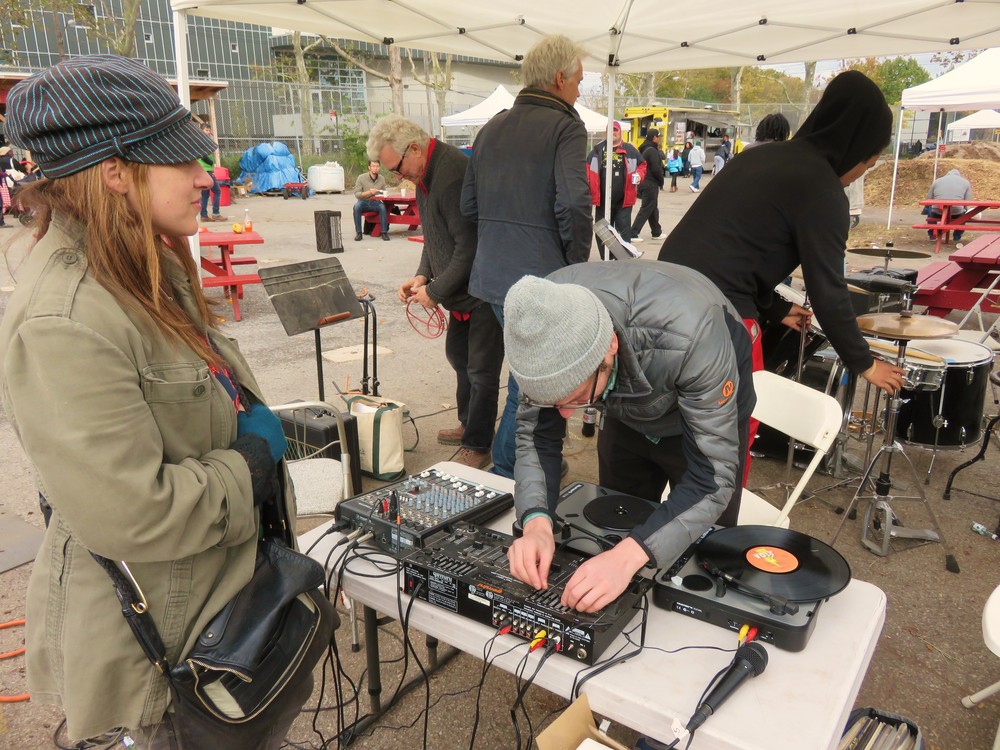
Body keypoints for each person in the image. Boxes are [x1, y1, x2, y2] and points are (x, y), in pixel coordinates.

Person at [0, 54, 318, 749]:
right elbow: (134, 514)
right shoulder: (66, 319)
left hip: (219, 596)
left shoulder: (143, 259)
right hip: (162, 655)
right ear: (115, 171)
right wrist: (253, 461)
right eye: (183, 160)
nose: (205, 176)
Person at [503, 262, 754, 613]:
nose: (564, 414)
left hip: (701, 407)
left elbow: (712, 480)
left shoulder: (694, 332)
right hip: (623, 401)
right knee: (616, 522)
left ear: (609, 347)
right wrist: (536, 523)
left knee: (700, 559)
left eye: (576, 400)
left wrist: (625, 559)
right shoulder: (540, 318)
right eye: (553, 401)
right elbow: (535, 438)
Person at [658, 70, 906, 417]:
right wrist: (864, 363)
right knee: (727, 430)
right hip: (716, 317)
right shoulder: (822, 189)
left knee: (665, 420)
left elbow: (730, 247)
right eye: (867, 164)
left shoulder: (757, 157)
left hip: (660, 298)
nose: (859, 174)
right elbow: (828, 291)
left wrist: (774, 308)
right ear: (854, 149)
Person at [461, 33, 592, 479]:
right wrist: (575, 267)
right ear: (559, 78)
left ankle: (516, 467)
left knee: (526, 381)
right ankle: (507, 472)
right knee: (534, 385)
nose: (579, 89)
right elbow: (574, 204)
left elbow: (469, 207)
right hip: (541, 279)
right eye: (578, 80)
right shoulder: (566, 126)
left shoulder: (491, 127)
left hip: (493, 277)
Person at [368, 115, 504, 470]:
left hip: (484, 290)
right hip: (460, 289)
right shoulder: (423, 176)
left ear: (414, 148)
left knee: (481, 370)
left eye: (397, 167)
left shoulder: (452, 173)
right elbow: (435, 237)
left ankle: (479, 442)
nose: (398, 176)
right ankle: (468, 422)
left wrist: (436, 291)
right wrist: (421, 275)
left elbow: (468, 246)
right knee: (460, 358)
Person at [587, 120, 645, 250]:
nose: (612, 133)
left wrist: (639, 175)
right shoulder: (597, 150)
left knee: (623, 231)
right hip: (601, 201)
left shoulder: (630, 150)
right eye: (610, 130)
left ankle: (622, 259)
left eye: (615, 130)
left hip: (623, 201)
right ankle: (607, 259)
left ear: (620, 132)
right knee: (603, 231)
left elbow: (642, 165)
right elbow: (586, 170)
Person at [629, 127, 664, 241]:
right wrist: (661, 180)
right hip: (650, 183)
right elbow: (656, 168)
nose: (659, 139)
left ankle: (656, 232)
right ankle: (633, 233)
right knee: (646, 208)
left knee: (652, 208)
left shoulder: (643, 149)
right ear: (654, 138)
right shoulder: (652, 150)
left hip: (644, 182)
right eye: (658, 137)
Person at [925, 168, 973, 242]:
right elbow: (968, 201)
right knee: (964, 212)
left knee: (929, 209)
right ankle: (957, 236)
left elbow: (928, 198)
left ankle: (932, 234)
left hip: (937, 211)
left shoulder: (937, 181)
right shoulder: (966, 182)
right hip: (956, 212)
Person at [352, 159, 390, 241]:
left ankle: (384, 232)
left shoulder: (381, 178)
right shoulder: (361, 178)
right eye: (373, 166)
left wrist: (383, 193)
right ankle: (358, 233)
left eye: (377, 166)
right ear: (369, 167)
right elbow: (357, 194)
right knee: (356, 207)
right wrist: (369, 192)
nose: (375, 168)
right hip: (363, 201)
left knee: (382, 207)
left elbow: (383, 191)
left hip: (375, 202)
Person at [197, 125, 226, 222]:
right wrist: (211, 163)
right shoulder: (203, 141)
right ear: (201, 131)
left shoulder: (199, 140)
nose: (209, 132)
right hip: (206, 171)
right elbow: (203, 156)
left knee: (205, 194)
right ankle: (216, 213)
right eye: (206, 130)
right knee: (217, 191)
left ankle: (204, 215)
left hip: (203, 171)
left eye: (209, 130)